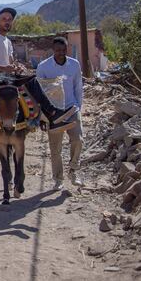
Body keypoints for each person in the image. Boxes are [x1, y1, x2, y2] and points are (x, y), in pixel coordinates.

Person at [0, 7, 77, 127]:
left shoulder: (8, 41)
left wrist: (17, 67)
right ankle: (52, 112)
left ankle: (43, 119)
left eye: (10, 19)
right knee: (33, 82)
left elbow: (11, 62)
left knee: (31, 81)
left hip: (6, 75)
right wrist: (4, 68)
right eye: (4, 19)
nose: (7, 21)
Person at [36, 36, 84, 190]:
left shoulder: (74, 65)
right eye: (58, 50)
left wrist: (78, 107)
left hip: (71, 109)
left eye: (64, 50)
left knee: (78, 140)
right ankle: (58, 179)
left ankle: (73, 171)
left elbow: (78, 87)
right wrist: (42, 117)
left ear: (67, 49)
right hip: (53, 112)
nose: (61, 53)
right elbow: (39, 94)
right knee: (55, 148)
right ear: (53, 50)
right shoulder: (44, 67)